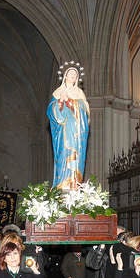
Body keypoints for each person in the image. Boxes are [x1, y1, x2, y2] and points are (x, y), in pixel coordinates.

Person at [47, 62, 89, 190]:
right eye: (70, 74)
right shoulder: (58, 92)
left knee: (77, 158)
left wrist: (70, 102)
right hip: (63, 132)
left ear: (77, 78)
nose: (72, 76)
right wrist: (60, 102)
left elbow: (85, 112)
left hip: (77, 133)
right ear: (65, 76)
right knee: (64, 155)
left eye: (75, 75)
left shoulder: (80, 93)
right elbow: (50, 111)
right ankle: (63, 185)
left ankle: (75, 183)